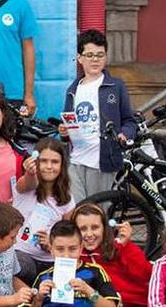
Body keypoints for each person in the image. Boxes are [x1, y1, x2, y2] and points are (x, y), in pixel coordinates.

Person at [60, 29, 136, 202]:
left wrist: (125, 134)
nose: (95, 59)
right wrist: (64, 132)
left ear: (106, 57)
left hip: (103, 160)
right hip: (76, 159)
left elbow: (129, 121)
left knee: (98, 211)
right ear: (80, 58)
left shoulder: (116, 86)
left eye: (100, 55)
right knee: (77, 211)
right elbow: (66, 127)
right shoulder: (73, 90)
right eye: (90, 55)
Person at [13, 138, 76, 286]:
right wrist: (30, 172)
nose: (49, 166)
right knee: (18, 265)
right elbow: (29, 182)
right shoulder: (26, 186)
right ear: (36, 162)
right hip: (22, 255)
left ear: (62, 166)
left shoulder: (68, 200)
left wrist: (51, 243)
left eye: (54, 162)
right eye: (44, 161)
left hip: (50, 260)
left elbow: (66, 235)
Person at [72, 203, 151, 307]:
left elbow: (146, 275)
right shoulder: (73, 256)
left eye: (95, 227)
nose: (89, 234)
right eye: (83, 229)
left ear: (104, 228)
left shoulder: (117, 247)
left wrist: (126, 246)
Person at [29, 220, 120, 307]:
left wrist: (88, 291)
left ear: (81, 248)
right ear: (51, 250)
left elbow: (111, 305)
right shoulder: (44, 277)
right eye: (60, 249)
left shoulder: (95, 271)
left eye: (72, 249)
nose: (66, 255)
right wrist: (39, 298)